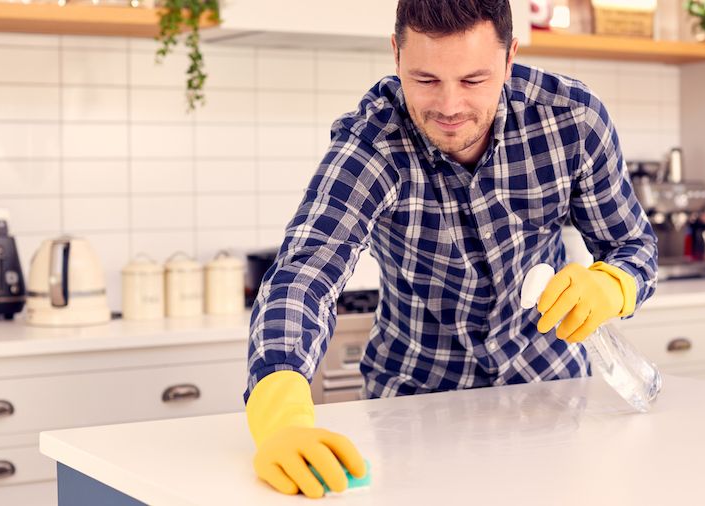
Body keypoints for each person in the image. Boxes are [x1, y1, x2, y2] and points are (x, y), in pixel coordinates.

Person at [244, 0, 658, 498]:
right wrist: (280, 414)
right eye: (424, 79)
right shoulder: (372, 143)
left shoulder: (572, 120)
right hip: (411, 404)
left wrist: (612, 284)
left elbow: (632, 245)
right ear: (395, 55)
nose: (448, 106)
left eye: (473, 80)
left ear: (510, 59)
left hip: (550, 390)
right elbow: (305, 273)